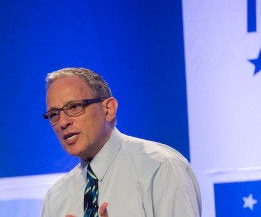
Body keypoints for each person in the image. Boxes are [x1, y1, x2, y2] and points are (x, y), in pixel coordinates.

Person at [41, 67, 201, 217]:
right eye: (54, 114)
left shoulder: (160, 167)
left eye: (74, 107)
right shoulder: (56, 198)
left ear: (108, 109)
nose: (63, 122)